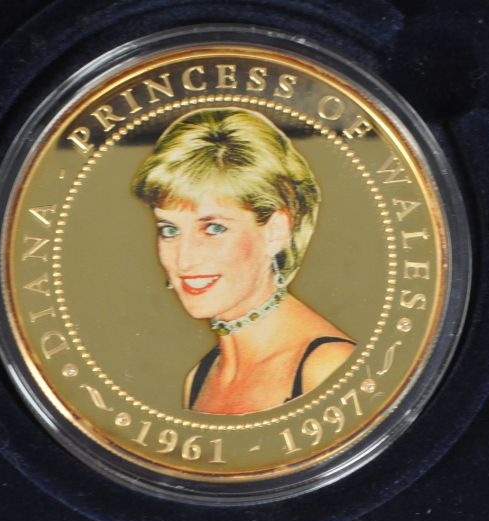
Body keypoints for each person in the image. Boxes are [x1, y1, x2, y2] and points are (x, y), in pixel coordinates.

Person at [131, 108, 355, 415]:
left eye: (213, 228)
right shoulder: (199, 378)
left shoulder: (327, 367)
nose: (184, 259)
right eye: (170, 230)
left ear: (275, 231)